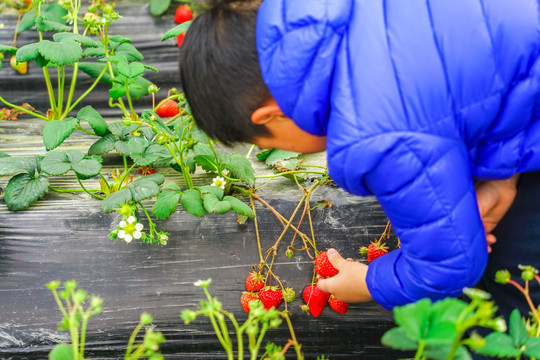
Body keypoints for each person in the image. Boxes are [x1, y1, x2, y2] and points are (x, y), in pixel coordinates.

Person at [179, 0, 540, 312]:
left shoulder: (371, 133)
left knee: (494, 304)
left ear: (271, 116)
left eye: (274, 143)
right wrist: (504, 174)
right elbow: (483, 69)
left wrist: (368, 282)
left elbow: (450, 265)